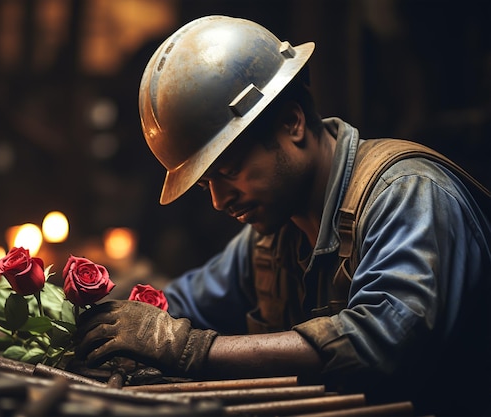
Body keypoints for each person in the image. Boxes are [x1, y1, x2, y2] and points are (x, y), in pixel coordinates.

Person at [76, 15, 491, 416]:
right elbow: (183, 302)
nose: (219, 200)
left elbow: (381, 341)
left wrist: (190, 349)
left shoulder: (408, 194)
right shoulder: (272, 236)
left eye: (230, 171)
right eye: (207, 184)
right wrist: (95, 318)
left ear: (292, 123)